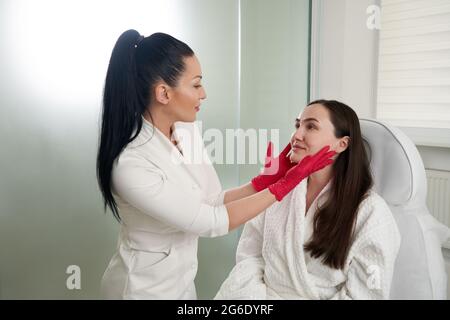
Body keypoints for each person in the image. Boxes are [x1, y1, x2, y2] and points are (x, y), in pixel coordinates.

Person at [96, 30, 336, 299]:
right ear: (164, 93)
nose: (204, 93)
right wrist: (282, 187)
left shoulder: (186, 132)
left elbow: (210, 200)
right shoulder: (130, 165)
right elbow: (209, 221)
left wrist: (262, 183)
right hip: (141, 289)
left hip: (183, 284)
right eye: (196, 84)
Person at [215, 100, 402, 300]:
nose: (296, 135)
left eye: (310, 126)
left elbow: (366, 294)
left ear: (342, 144)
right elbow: (248, 257)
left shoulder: (371, 213)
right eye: (297, 125)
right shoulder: (279, 193)